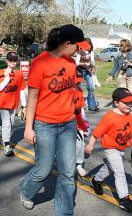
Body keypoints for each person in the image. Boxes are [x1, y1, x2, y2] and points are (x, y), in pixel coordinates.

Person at [19, 24, 90, 215]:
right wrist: (28, 128)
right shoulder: (39, 63)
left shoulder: (71, 63)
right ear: (67, 44)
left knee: (68, 172)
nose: (80, 49)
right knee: (43, 169)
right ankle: (25, 189)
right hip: (44, 125)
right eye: (78, 45)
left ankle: (64, 212)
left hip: (68, 123)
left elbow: (70, 91)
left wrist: (78, 116)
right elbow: (32, 97)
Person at [85, 87, 132, 213]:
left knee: (110, 167)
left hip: (121, 148)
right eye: (126, 102)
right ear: (116, 103)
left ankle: (96, 180)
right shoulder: (110, 117)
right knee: (120, 172)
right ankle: (124, 200)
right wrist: (90, 145)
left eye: (131, 102)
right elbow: (96, 133)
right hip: (110, 148)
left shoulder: (128, 115)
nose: (129, 104)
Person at [0, 51, 27, 156]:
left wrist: (24, 104)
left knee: (11, 123)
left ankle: (5, 139)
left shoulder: (19, 74)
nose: (13, 62)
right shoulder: (1, 73)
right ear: (7, 61)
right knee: (7, 124)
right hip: (4, 103)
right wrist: (6, 78)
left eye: (15, 60)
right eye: (11, 60)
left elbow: (22, 89)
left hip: (14, 104)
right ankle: (7, 144)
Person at [74, 66, 91, 177]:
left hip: (77, 121)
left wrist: (84, 122)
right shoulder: (64, 91)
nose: (77, 83)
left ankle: (79, 164)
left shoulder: (80, 91)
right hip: (65, 121)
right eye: (75, 81)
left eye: (79, 81)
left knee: (80, 143)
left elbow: (80, 109)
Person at [75, 37, 99, 111]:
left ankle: (92, 106)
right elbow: (76, 63)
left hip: (88, 71)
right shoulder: (80, 51)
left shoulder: (91, 52)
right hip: (80, 71)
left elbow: (92, 62)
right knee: (80, 88)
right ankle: (80, 105)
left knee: (91, 88)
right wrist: (84, 63)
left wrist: (92, 66)